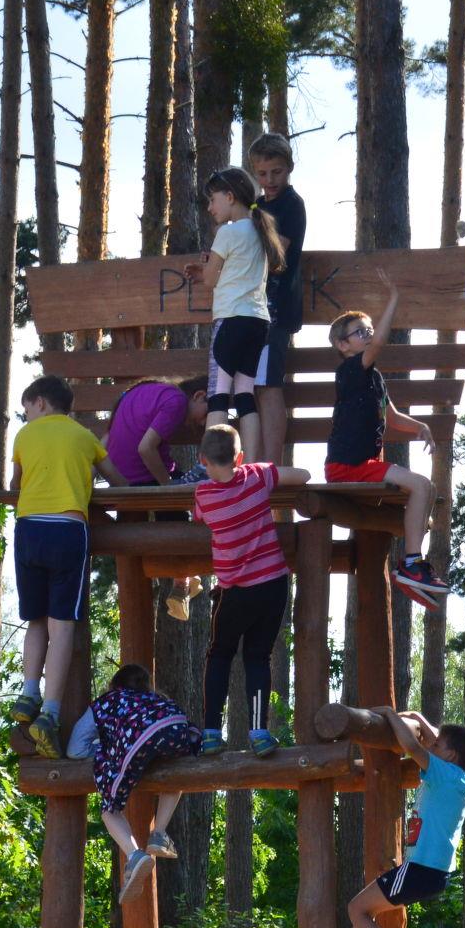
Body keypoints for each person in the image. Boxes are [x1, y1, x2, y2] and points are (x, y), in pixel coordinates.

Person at [7, 375, 126, 758]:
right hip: (68, 530)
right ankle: (51, 713)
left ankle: (29, 693)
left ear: (40, 402)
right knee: (62, 627)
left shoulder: (25, 436)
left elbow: (15, 485)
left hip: (29, 529)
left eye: (27, 408)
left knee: (35, 619)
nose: (27, 415)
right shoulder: (83, 437)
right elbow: (117, 480)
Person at [323, 271, 448, 608]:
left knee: (427, 489)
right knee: (420, 486)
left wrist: (420, 426)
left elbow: (391, 417)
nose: (368, 336)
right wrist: (394, 298)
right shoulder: (351, 370)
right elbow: (379, 345)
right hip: (347, 466)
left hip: (363, 465)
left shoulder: (373, 377)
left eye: (369, 330)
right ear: (343, 345)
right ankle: (411, 564)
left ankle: (414, 564)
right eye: (360, 332)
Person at [190, 424, 308, 755]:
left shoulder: (203, 494)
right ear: (239, 457)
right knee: (258, 657)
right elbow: (303, 474)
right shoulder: (257, 476)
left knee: (219, 654)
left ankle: (211, 731)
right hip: (272, 585)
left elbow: (198, 517)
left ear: (202, 459)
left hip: (235, 592)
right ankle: (259, 733)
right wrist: (258, 468)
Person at [343, 708, 465, 928]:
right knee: (364, 909)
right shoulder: (458, 777)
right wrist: (418, 717)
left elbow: (412, 747)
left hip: (420, 868)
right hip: (432, 872)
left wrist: (388, 714)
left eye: (438, 745)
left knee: (357, 908)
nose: (432, 744)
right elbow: (435, 740)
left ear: (450, 755)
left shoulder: (443, 774)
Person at [66, 664, 202, 901]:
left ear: (114, 685)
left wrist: (105, 749)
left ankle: (135, 855)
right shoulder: (157, 700)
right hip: (176, 730)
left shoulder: (107, 701)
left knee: (110, 809)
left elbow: (75, 749)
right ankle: (158, 833)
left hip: (138, 738)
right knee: (176, 772)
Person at [184, 167, 286, 464]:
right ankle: (251, 463)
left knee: (218, 394)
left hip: (230, 319)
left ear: (230, 197)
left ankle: (213, 465)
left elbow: (211, 279)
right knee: (244, 395)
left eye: (213, 199)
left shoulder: (227, 232)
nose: (210, 207)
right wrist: (210, 269)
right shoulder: (260, 230)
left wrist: (205, 270)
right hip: (258, 322)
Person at [107, 375, 212, 620]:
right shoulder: (176, 402)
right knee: (181, 503)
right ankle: (182, 581)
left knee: (182, 483)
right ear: (198, 395)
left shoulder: (151, 391)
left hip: (122, 474)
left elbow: (109, 440)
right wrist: (168, 487)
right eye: (206, 414)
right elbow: (145, 448)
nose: (202, 423)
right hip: (138, 476)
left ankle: (186, 576)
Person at [247, 133, 306, 461]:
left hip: (276, 311)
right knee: (255, 387)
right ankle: (256, 463)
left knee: (269, 387)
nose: (269, 180)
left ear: (290, 168)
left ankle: (270, 464)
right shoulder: (257, 205)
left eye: (277, 172)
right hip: (254, 311)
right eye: (262, 173)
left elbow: (275, 252)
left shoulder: (291, 205)